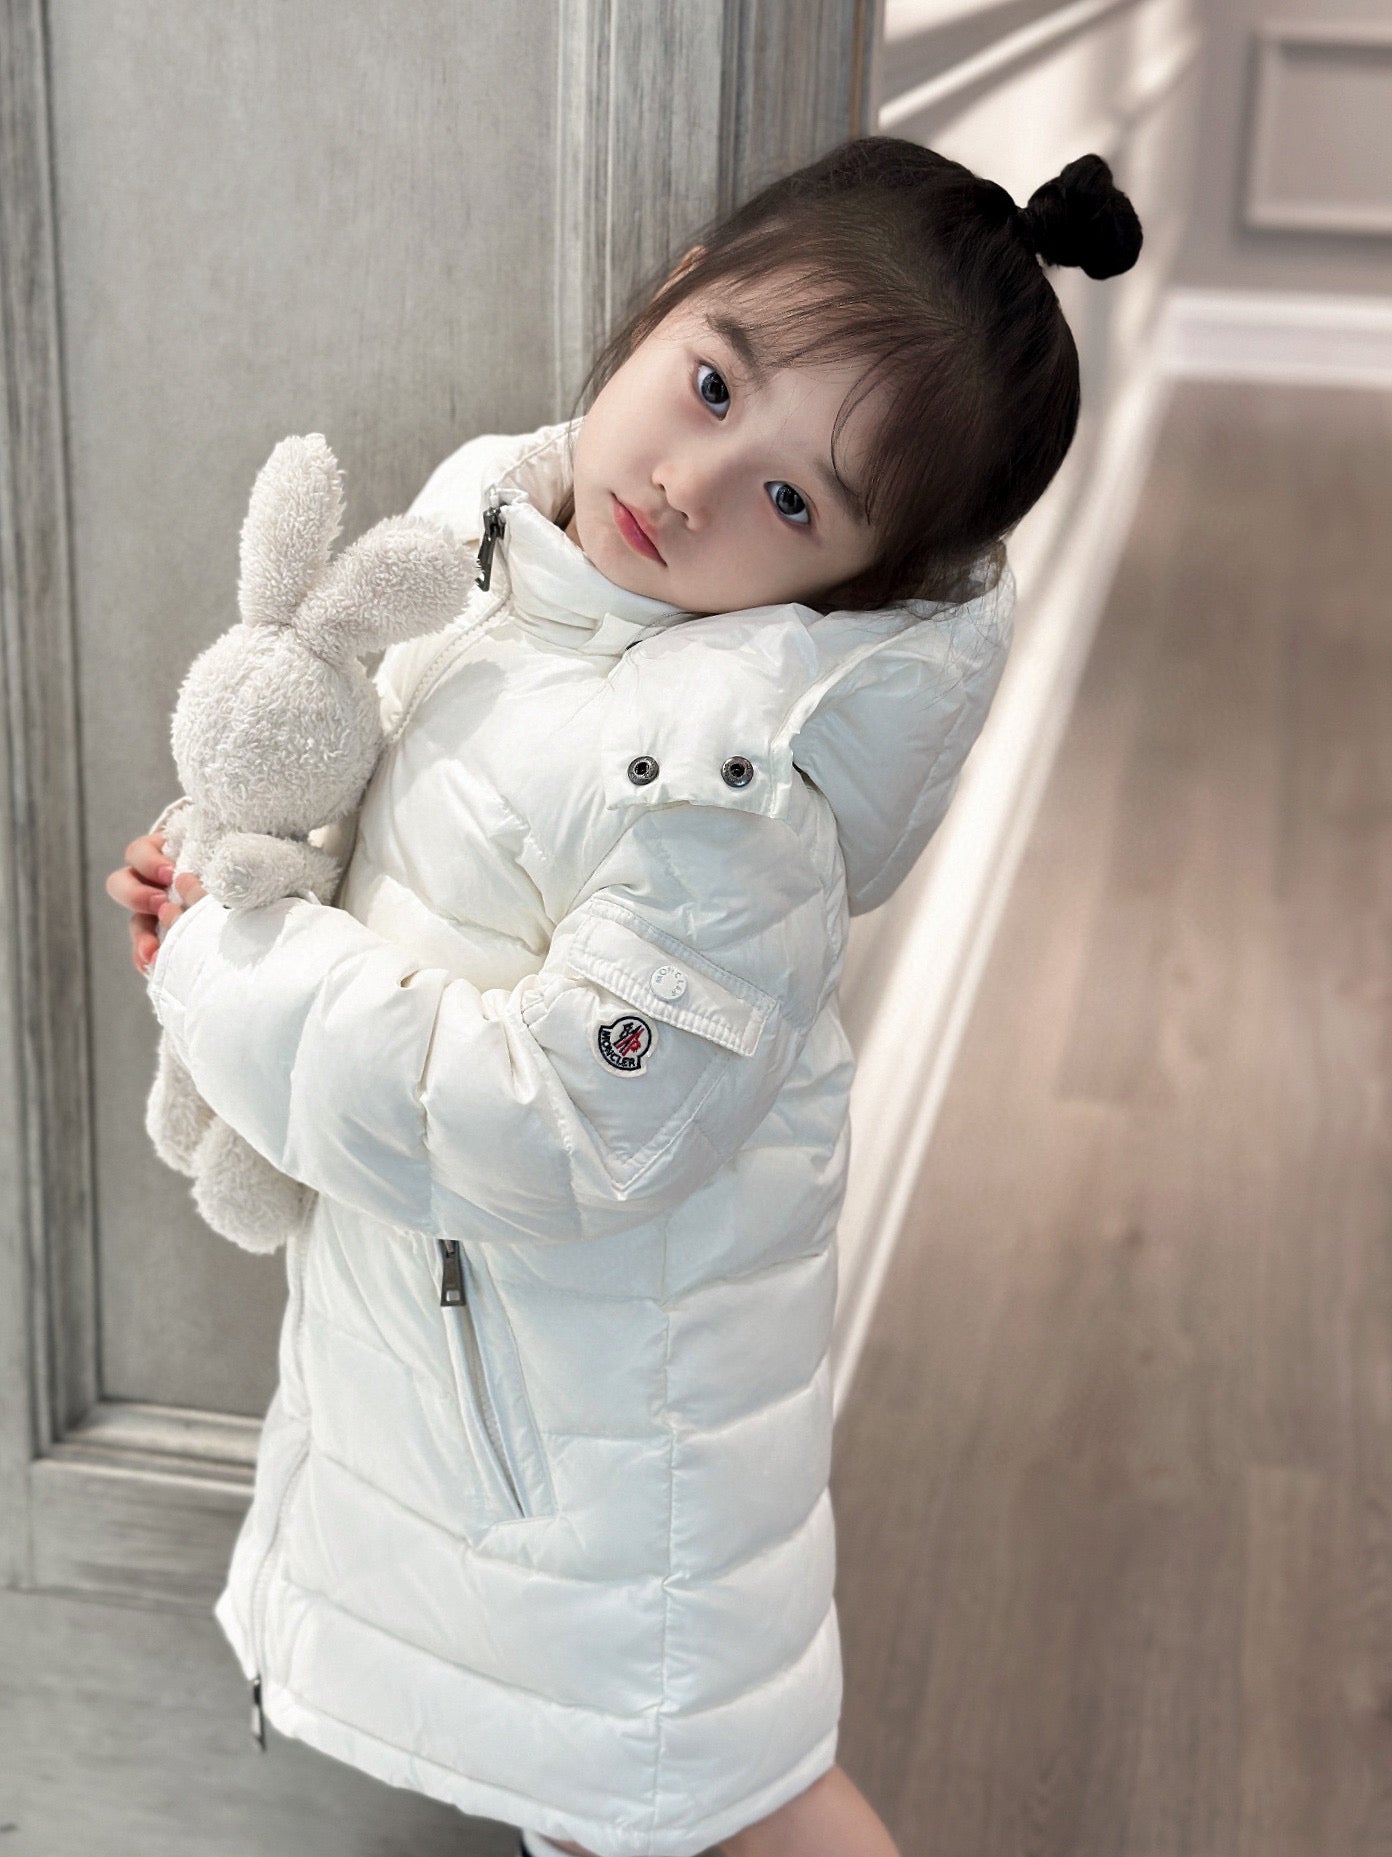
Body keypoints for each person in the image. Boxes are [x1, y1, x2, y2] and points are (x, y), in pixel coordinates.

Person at [107, 136, 1142, 1857]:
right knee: (621, 1801)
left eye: (795, 503)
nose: (692, 478)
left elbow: (546, 1120)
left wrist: (235, 964)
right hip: (502, 1386)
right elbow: (401, 830)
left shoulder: (726, 807)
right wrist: (234, 863)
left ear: (859, 584)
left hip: (620, 1452)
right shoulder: (493, 547)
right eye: (714, 383)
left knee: (719, 1800)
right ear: (671, 294)